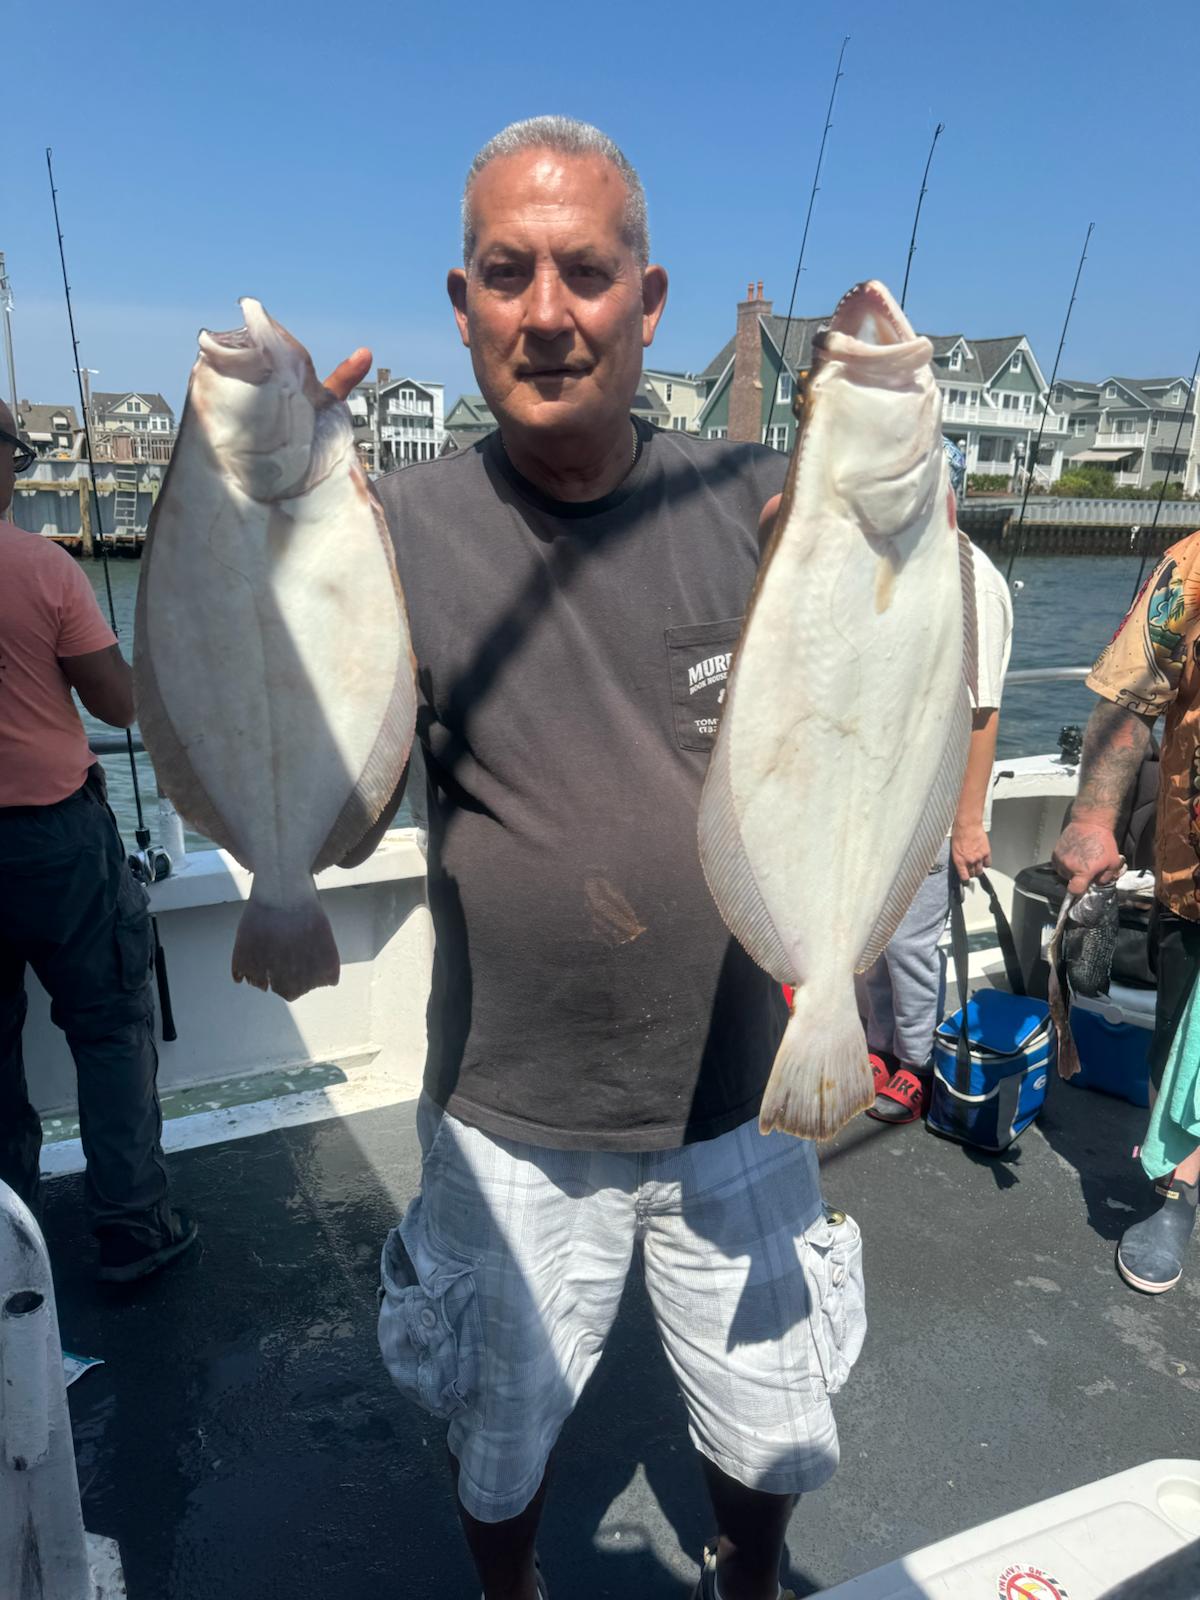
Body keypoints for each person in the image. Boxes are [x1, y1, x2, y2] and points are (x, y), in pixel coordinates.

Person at [325, 118, 865, 1600]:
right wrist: (272, 537)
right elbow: (337, 813)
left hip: (742, 1089)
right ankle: (511, 1587)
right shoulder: (392, 528)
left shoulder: (757, 505)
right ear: (462, 305)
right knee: (499, 1432)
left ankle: (747, 1576)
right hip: (508, 1108)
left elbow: (876, 716)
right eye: (508, 274)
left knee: (770, 1425)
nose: (548, 312)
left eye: (586, 270)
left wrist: (884, 535)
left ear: (651, 298)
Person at [0, 399, 195, 1282]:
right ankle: (132, 1229)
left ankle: (12, 1249)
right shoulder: (42, 569)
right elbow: (117, 704)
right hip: (57, 842)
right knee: (112, 1030)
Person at [1053, 533, 1200, 1295]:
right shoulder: (1193, 566)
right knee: (1180, 1048)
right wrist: (1091, 817)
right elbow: (1129, 698)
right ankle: (1179, 1190)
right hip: (1195, 881)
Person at [863, 450, 1014, 1123]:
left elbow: (983, 711)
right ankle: (876, 1043)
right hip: (869, 795)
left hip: (928, 801)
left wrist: (968, 821)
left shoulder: (972, 580)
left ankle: (917, 1062)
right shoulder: (883, 564)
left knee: (909, 943)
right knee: (865, 938)